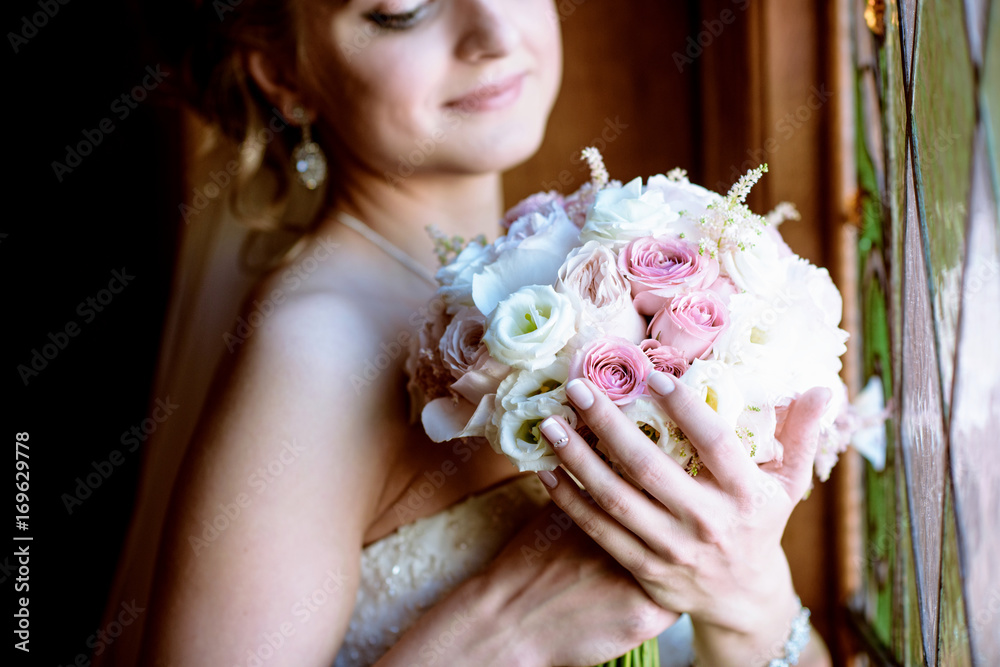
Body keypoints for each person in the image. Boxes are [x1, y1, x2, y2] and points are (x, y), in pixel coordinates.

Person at [133, 1, 833, 665]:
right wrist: (507, 626)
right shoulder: (319, 346)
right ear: (284, 73)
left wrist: (747, 597)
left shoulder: (578, 275)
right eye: (403, 9)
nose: (493, 31)